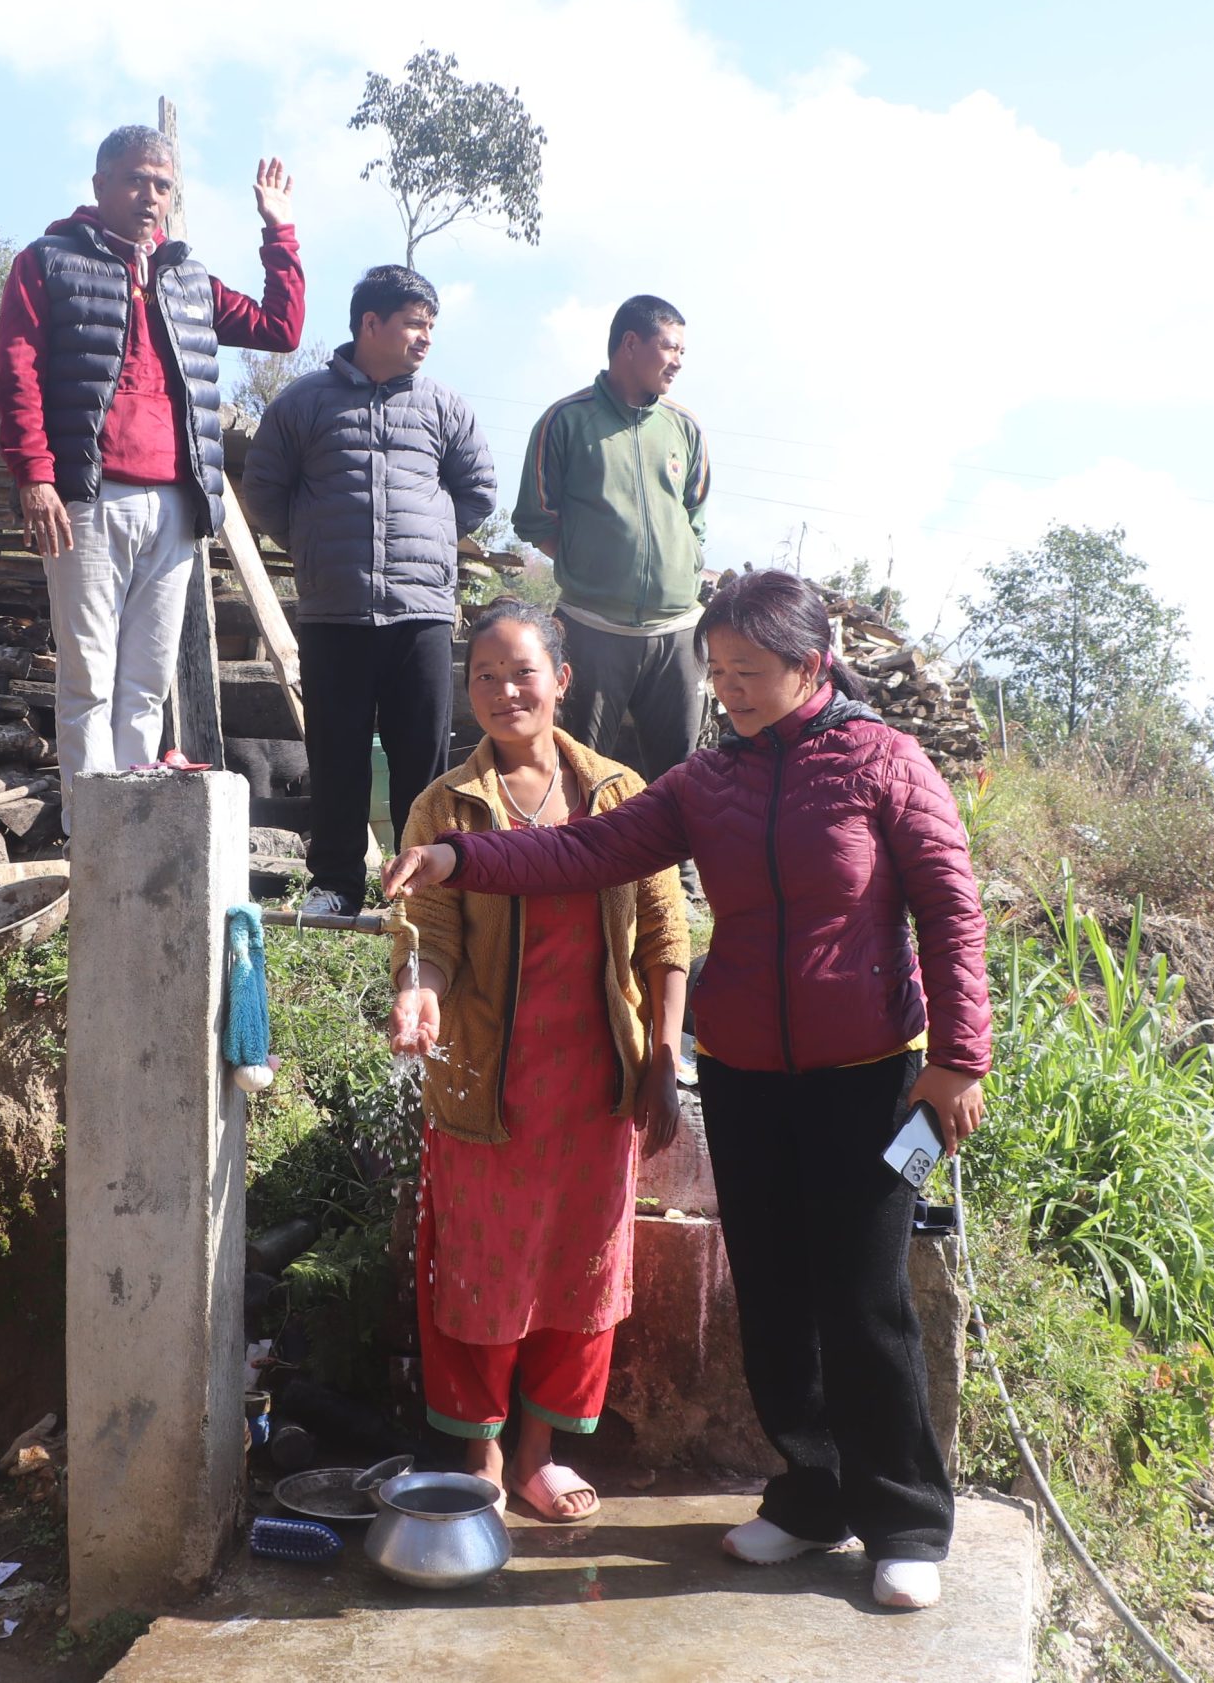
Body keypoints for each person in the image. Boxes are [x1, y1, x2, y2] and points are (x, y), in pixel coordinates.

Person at [383, 570, 991, 1611]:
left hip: (866, 1079)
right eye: (717, 672)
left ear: (810, 665)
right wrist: (456, 857)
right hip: (746, 1076)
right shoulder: (706, 782)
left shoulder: (885, 762)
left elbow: (950, 909)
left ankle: (903, 1521)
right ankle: (811, 1496)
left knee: (862, 1300)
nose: (728, 691)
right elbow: (584, 849)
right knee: (773, 1296)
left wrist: (959, 1058)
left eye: (748, 672)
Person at [386, 598, 688, 1522]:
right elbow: (427, 933)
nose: (504, 690)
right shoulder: (445, 805)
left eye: (522, 672)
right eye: (483, 675)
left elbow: (665, 934)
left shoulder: (622, 795)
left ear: (562, 679)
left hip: (594, 1085)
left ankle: (537, 1454)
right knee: (477, 1268)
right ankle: (480, 1453)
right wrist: (419, 989)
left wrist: (663, 1055)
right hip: (487, 1081)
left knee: (579, 1269)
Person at [0, 124, 305, 820]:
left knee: (146, 682)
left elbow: (280, 330)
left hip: (175, 503)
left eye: (162, 184)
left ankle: (130, 836)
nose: (150, 195)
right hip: (88, 498)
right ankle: (89, 837)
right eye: (135, 180)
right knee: (88, 678)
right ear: (100, 184)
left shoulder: (186, 277)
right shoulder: (48, 262)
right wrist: (35, 476)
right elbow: (17, 373)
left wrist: (278, 230)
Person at [241, 264, 497, 914]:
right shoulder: (304, 403)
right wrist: (313, 545)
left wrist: (427, 541)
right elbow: (264, 490)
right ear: (370, 323)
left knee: (422, 756)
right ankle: (335, 885)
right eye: (414, 323)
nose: (425, 337)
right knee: (337, 753)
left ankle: (421, 891)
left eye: (431, 325)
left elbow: (478, 492)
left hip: (421, 611)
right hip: (335, 610)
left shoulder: (444, 407)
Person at [512, 295, 712, 803]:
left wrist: (684, 565)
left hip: (676, 632)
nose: (678, 361)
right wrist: (590, 567)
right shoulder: (564, 421)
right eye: (670, 347)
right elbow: (535, 519)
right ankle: (583, 857)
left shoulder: (685, 426)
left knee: (680, 778)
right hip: (591, 628)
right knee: (580, 772)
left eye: (683, 351)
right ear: (630, 343)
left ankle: (675, 862)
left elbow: (696, 518)